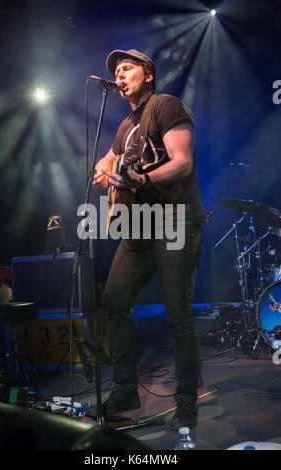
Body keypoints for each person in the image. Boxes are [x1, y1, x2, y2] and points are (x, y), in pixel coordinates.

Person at [91, 49, 205, 430]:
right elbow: (107, 160)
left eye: (127, 69)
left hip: (175, 219)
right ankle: (125, 390)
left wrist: (140, 179)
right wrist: (105, 171)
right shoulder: (126, 125)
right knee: (114, 297)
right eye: (117, 72)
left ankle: (186, 401)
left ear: (149, 74)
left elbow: (183, 162)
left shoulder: (167, 106)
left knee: (178, 315)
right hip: (140, 224)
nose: (120, 76)